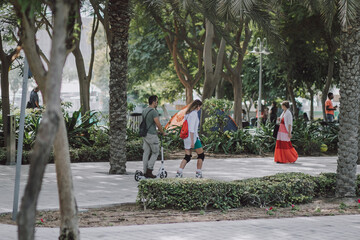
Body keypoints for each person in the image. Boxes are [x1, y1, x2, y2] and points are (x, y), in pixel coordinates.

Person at [176, 100, 205, 178]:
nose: (200, 108)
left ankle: (179, 172)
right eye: (200, 107)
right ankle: (198, 173)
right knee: (201, 155)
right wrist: (192, 141)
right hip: (193, 138)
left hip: (186, 138)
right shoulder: (194, 114)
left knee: (187, 156)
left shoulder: (187, 114)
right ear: (197, 106)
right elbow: (191, 129)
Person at [142, 95, 166, 178]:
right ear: (153, 102)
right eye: (157, 101)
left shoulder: (144, 110)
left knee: (146, 153)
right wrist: (162, 132)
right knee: (155, 152)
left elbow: (148, 123)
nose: (157, 103)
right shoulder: (153, 111)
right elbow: (158, 124)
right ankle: (149, 170)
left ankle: (145, 171)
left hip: (145, 135)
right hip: (152, 135)